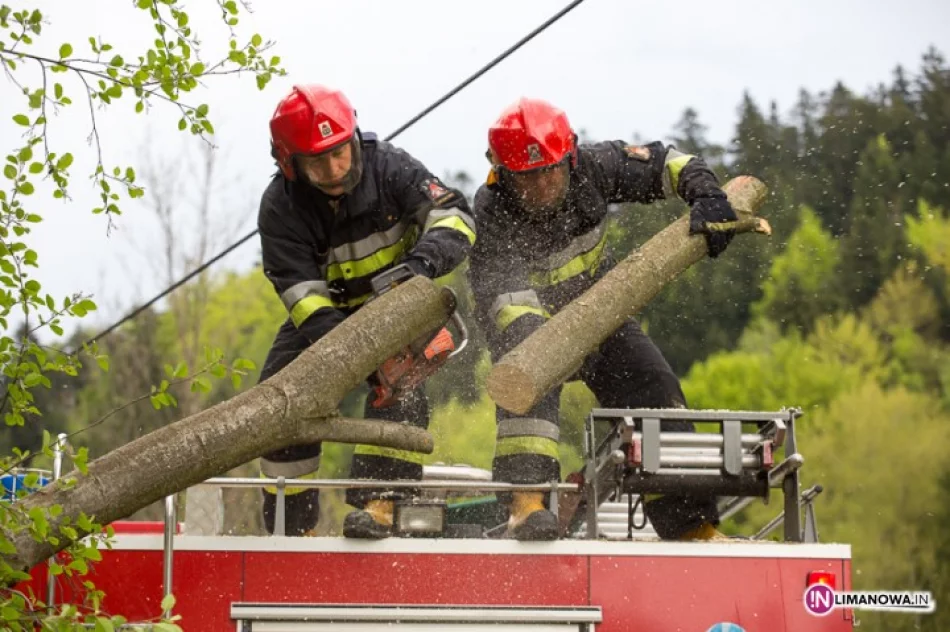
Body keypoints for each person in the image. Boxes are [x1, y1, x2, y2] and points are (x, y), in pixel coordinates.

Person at [468, 97, 737, 541]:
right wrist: (539, 338)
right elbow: (501, 290)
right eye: (527, 176)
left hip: (600, 313)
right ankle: (527, 504)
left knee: (654, 386)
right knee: (529, 393)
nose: (541, 184)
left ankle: (690, 525)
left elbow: (669, 161)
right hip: (529, 323)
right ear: (502, 174)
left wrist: (707, 194)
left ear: (569, 155)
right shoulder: (492, 208)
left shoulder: (598, 166)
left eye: (550, 170)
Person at [255, 84, 476, 539]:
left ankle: (381, 507)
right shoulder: (280, 208)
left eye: (340, 153)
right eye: (318, 162)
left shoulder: (390, 167)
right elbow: (305, 301)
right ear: (289, 163)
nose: (335, 169)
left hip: (394, 307)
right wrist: (352, 355)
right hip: (323, 321)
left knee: (403, 388)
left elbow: (454, 215)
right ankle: (291, 529)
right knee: (279, 402)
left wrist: (420, 268)